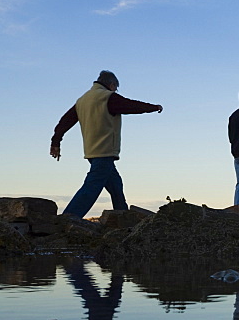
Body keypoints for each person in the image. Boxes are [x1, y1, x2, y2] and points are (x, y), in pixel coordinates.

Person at [50, 70, 163, 218]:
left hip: (91, 151)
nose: (116, 90)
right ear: (111, 84)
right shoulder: (107, 97)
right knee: (92, 187)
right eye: (116, 87)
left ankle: (122, 215)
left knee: (116, 184)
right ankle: (69, 218)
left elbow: (65, 122)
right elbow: (131, 106)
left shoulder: (82, 100)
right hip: (105, 150)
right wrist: (153, 107)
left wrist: (56, 142)